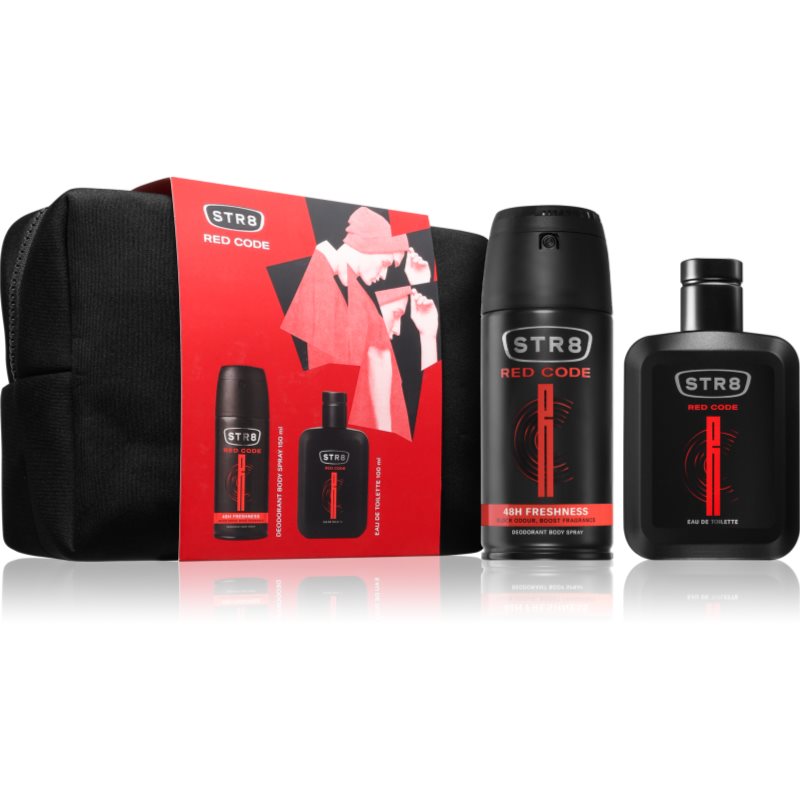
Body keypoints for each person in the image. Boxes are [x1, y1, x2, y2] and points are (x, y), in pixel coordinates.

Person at [281, 207, 439, 439]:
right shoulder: (312, 278)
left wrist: (421, 285)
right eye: (385, 263)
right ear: (367, 246)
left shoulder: (333, 283)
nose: (383, 275)